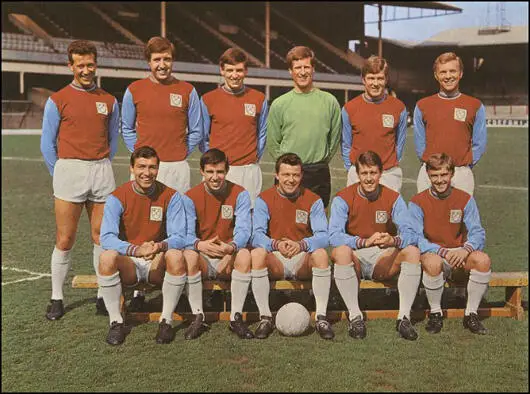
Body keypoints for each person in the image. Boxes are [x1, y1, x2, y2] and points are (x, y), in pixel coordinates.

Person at [41, 39, 119, 320]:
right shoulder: (57, 100)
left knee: (101, 236)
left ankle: (103, 293)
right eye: (80, 65)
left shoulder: (109, 100)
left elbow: (112, 138)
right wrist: (60, 172)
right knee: (65, 238)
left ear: (96, 64)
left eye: (90, 64)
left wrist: (101, 165)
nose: (86, 70)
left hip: (100, 170)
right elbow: (47, 144)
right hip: (69, 171)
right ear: (70, 66)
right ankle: (57, 297)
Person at [98, 146, 188, 345]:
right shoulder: (117, 197)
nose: (147, 173)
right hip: (130, 260)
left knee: (176, 255)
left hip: (156, 259)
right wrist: (136, 249)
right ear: (131, 168)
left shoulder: (171, 196)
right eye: (141, 167)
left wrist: (158, 246)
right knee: (105, 258)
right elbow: (107, 237)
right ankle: (116, 321)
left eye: (152, 167)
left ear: (158, 168)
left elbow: (180, 237)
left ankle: (166, 321)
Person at [329, 150, 421, 341]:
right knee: (341, 251)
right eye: (364, 173)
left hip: (382, 257)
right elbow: (334, 236)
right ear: (357, 174)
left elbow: (411, 233)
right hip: (355, 256)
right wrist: (363, 241)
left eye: (373, 173)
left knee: (412, 252)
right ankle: (355, 316)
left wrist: (393, 240)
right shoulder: (343, 198)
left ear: (380, 173)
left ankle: (403, 317)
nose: (369, 178)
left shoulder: (393, 197)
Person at [251, 153, 334, 340]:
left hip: (301, 257)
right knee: (256, 254)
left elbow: (323, 236)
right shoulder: (264, 199)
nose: (291, 180)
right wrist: (276, 244)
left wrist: (302, 244)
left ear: (301, 176)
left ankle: (321, 317)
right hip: (276, 258)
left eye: (295, 175)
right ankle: (265, 317)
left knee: (320, 254)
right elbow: (256, 234)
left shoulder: (313, 200)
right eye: (286, 175)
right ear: (277, 175)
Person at [408, 153, 492, 335]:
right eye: (434, 176)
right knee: (432, 262)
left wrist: (466, 249)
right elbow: (415, 238)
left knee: (483, 260)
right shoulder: (417, 202)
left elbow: (478, 232)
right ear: (428, 176)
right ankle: (436, 313)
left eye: (443, 175)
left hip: (460, 253)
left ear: (452, 174)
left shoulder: (465, 199)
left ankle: (471, 314)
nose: (440, 180)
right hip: (433, 252)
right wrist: (442, 252)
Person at [182, 148, 254, 340]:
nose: (215, 177)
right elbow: (184, 234)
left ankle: (235, 316)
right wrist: (200, 245)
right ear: (202, 172)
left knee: (246, 254)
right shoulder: (190, 196)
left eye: (220, 172)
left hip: (228, 255)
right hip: (203, 256)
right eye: (210, 172)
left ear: (227, 171)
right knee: (188, 255)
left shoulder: (240, 194)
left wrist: (231, 248)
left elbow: (244, 230)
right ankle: (198, 315)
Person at [121, 36, 202, 194]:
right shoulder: (134, 89)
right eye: (157, 60)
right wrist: (140, 155)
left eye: (167, 59)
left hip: (177, 167)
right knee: (142, 216)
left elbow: (197, 130)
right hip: (145, 167)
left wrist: (182, 151)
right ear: (149, 62)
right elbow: (127, 128)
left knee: (177, 216)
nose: (162, 65)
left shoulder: (188, 90)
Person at [266, 46, 342, 208]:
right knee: (285, 222)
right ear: (290, 71)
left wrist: (320, 160)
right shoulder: (279, 104)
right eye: (297, 68)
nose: (302, 72)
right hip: (289, 173)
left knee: (316, 223)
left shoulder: (330, 102)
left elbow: (334, 139)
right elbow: (272, 142)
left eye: (306, 67)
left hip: (318, 172)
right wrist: (288, 167)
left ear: (313, 69)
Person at [200, 48, 268, 207]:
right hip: (219, 170)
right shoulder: (208, 99)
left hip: (248, 170)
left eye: (239, 70)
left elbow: (262, 132)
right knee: (215, 216)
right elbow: (203, 137)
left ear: (246, 71)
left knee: (247, 216)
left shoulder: (259, 99)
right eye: (230, 70)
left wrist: (253, 158)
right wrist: (214, 162)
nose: (234, 75)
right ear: (222, 71)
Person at [413, 52, 487, 195]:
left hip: (460, 174)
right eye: (443, 72)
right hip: (430, 174)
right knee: (429, 217)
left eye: (452, 71)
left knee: (458, 217)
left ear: (460, 73)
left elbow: (480, 143)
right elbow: (420, 143)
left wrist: (465, 165)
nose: (448, 76)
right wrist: (430, 165)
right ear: (436, 75)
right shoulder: (422, 105)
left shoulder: (475, 106)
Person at [341, 55, 408, 192]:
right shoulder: (349, 108)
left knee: (387, 213)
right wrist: (352, 169)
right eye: (371, 78)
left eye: (380, 78)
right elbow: (346, 144)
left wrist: (390, 165)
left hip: (388, 173)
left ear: (386, 79)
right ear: (363, 79)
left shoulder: (398, 107)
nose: (375, 83)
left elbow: (399, 143)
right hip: (359, 174)